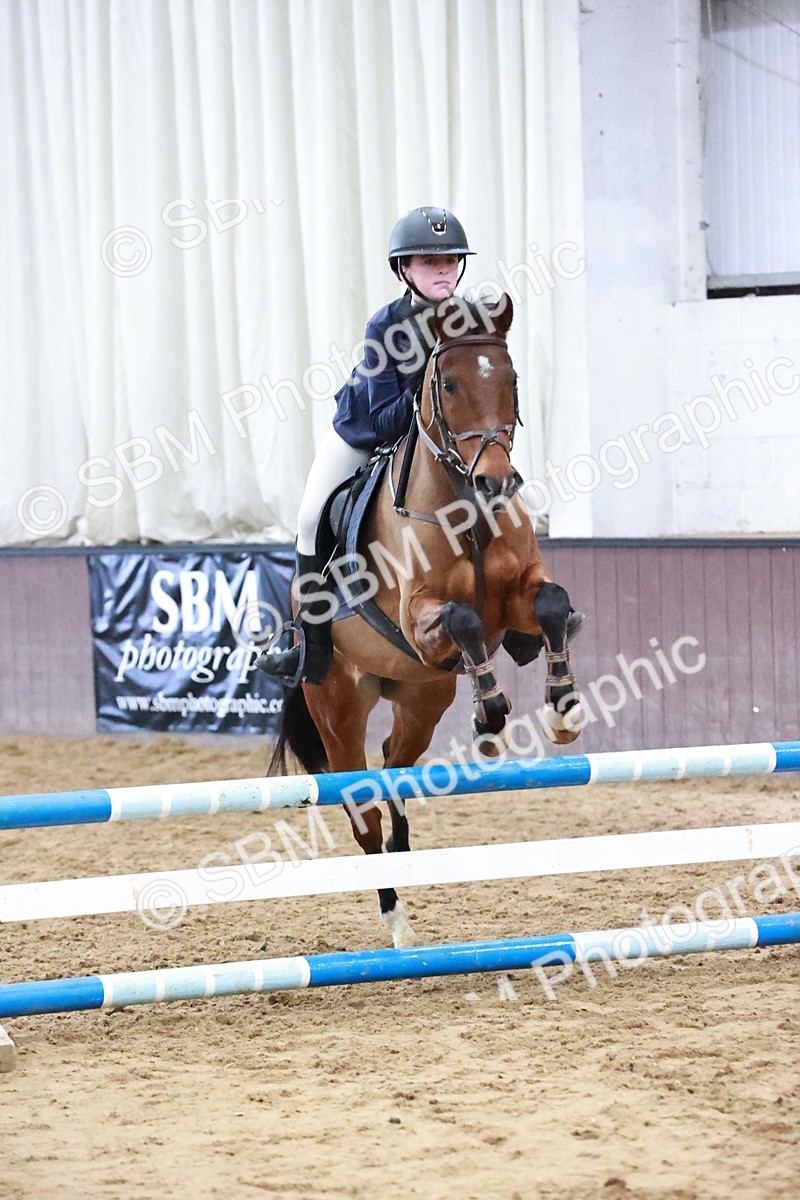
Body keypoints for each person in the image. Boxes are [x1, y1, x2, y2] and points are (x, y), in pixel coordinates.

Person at [259, 206, 474, 685]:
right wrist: (428, 385)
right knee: (311, 517)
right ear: (404, 270)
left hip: (436, 446)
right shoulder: (386, 326)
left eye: (451, 260)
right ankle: (305, 647)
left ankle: (523, 616)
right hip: (365, 431)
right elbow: (383, 419)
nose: (443, 269)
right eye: (427, 261)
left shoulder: (468, 320)